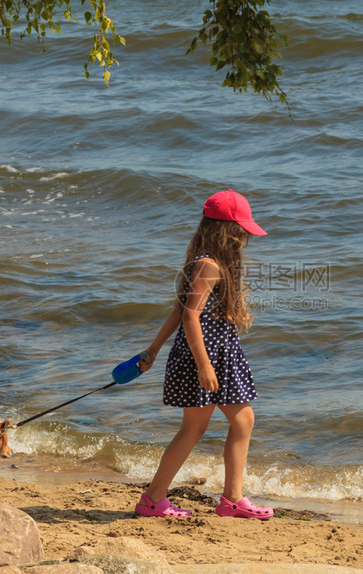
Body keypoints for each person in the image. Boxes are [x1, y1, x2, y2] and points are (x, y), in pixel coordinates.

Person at [134, 189, 273, 519]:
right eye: (240, 231)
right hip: (205, 357)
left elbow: (178, 311)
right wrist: (204, 365)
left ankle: (223, 499)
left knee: (234, 421)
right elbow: (189, 316)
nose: (244, 239)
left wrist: (153, 350)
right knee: (205, 427)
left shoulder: (203, 262)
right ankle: (162, 499)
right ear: (226, 231)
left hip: (214, 354)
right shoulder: (209, 266)